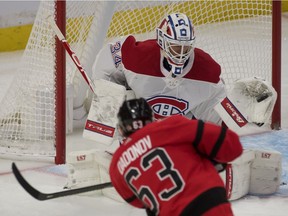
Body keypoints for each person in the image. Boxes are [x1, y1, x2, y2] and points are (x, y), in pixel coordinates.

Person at [109, 98, 243, 216]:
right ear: (150, 118)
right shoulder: (170, 126)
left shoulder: (116, 163)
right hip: (207, 202)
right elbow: (232, 146)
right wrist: (208, 158)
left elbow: (136, 201)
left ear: (122, 128)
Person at [91, 12, 226, 125]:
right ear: (162, 41)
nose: (182, 52)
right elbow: (108, 56)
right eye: (176, 46)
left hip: (181, 128)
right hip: (140, 126)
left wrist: (229, 122)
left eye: (187, 46)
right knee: (126, 98)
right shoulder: (138, 56)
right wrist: (106, 98)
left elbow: (215, 108)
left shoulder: (207, 69)